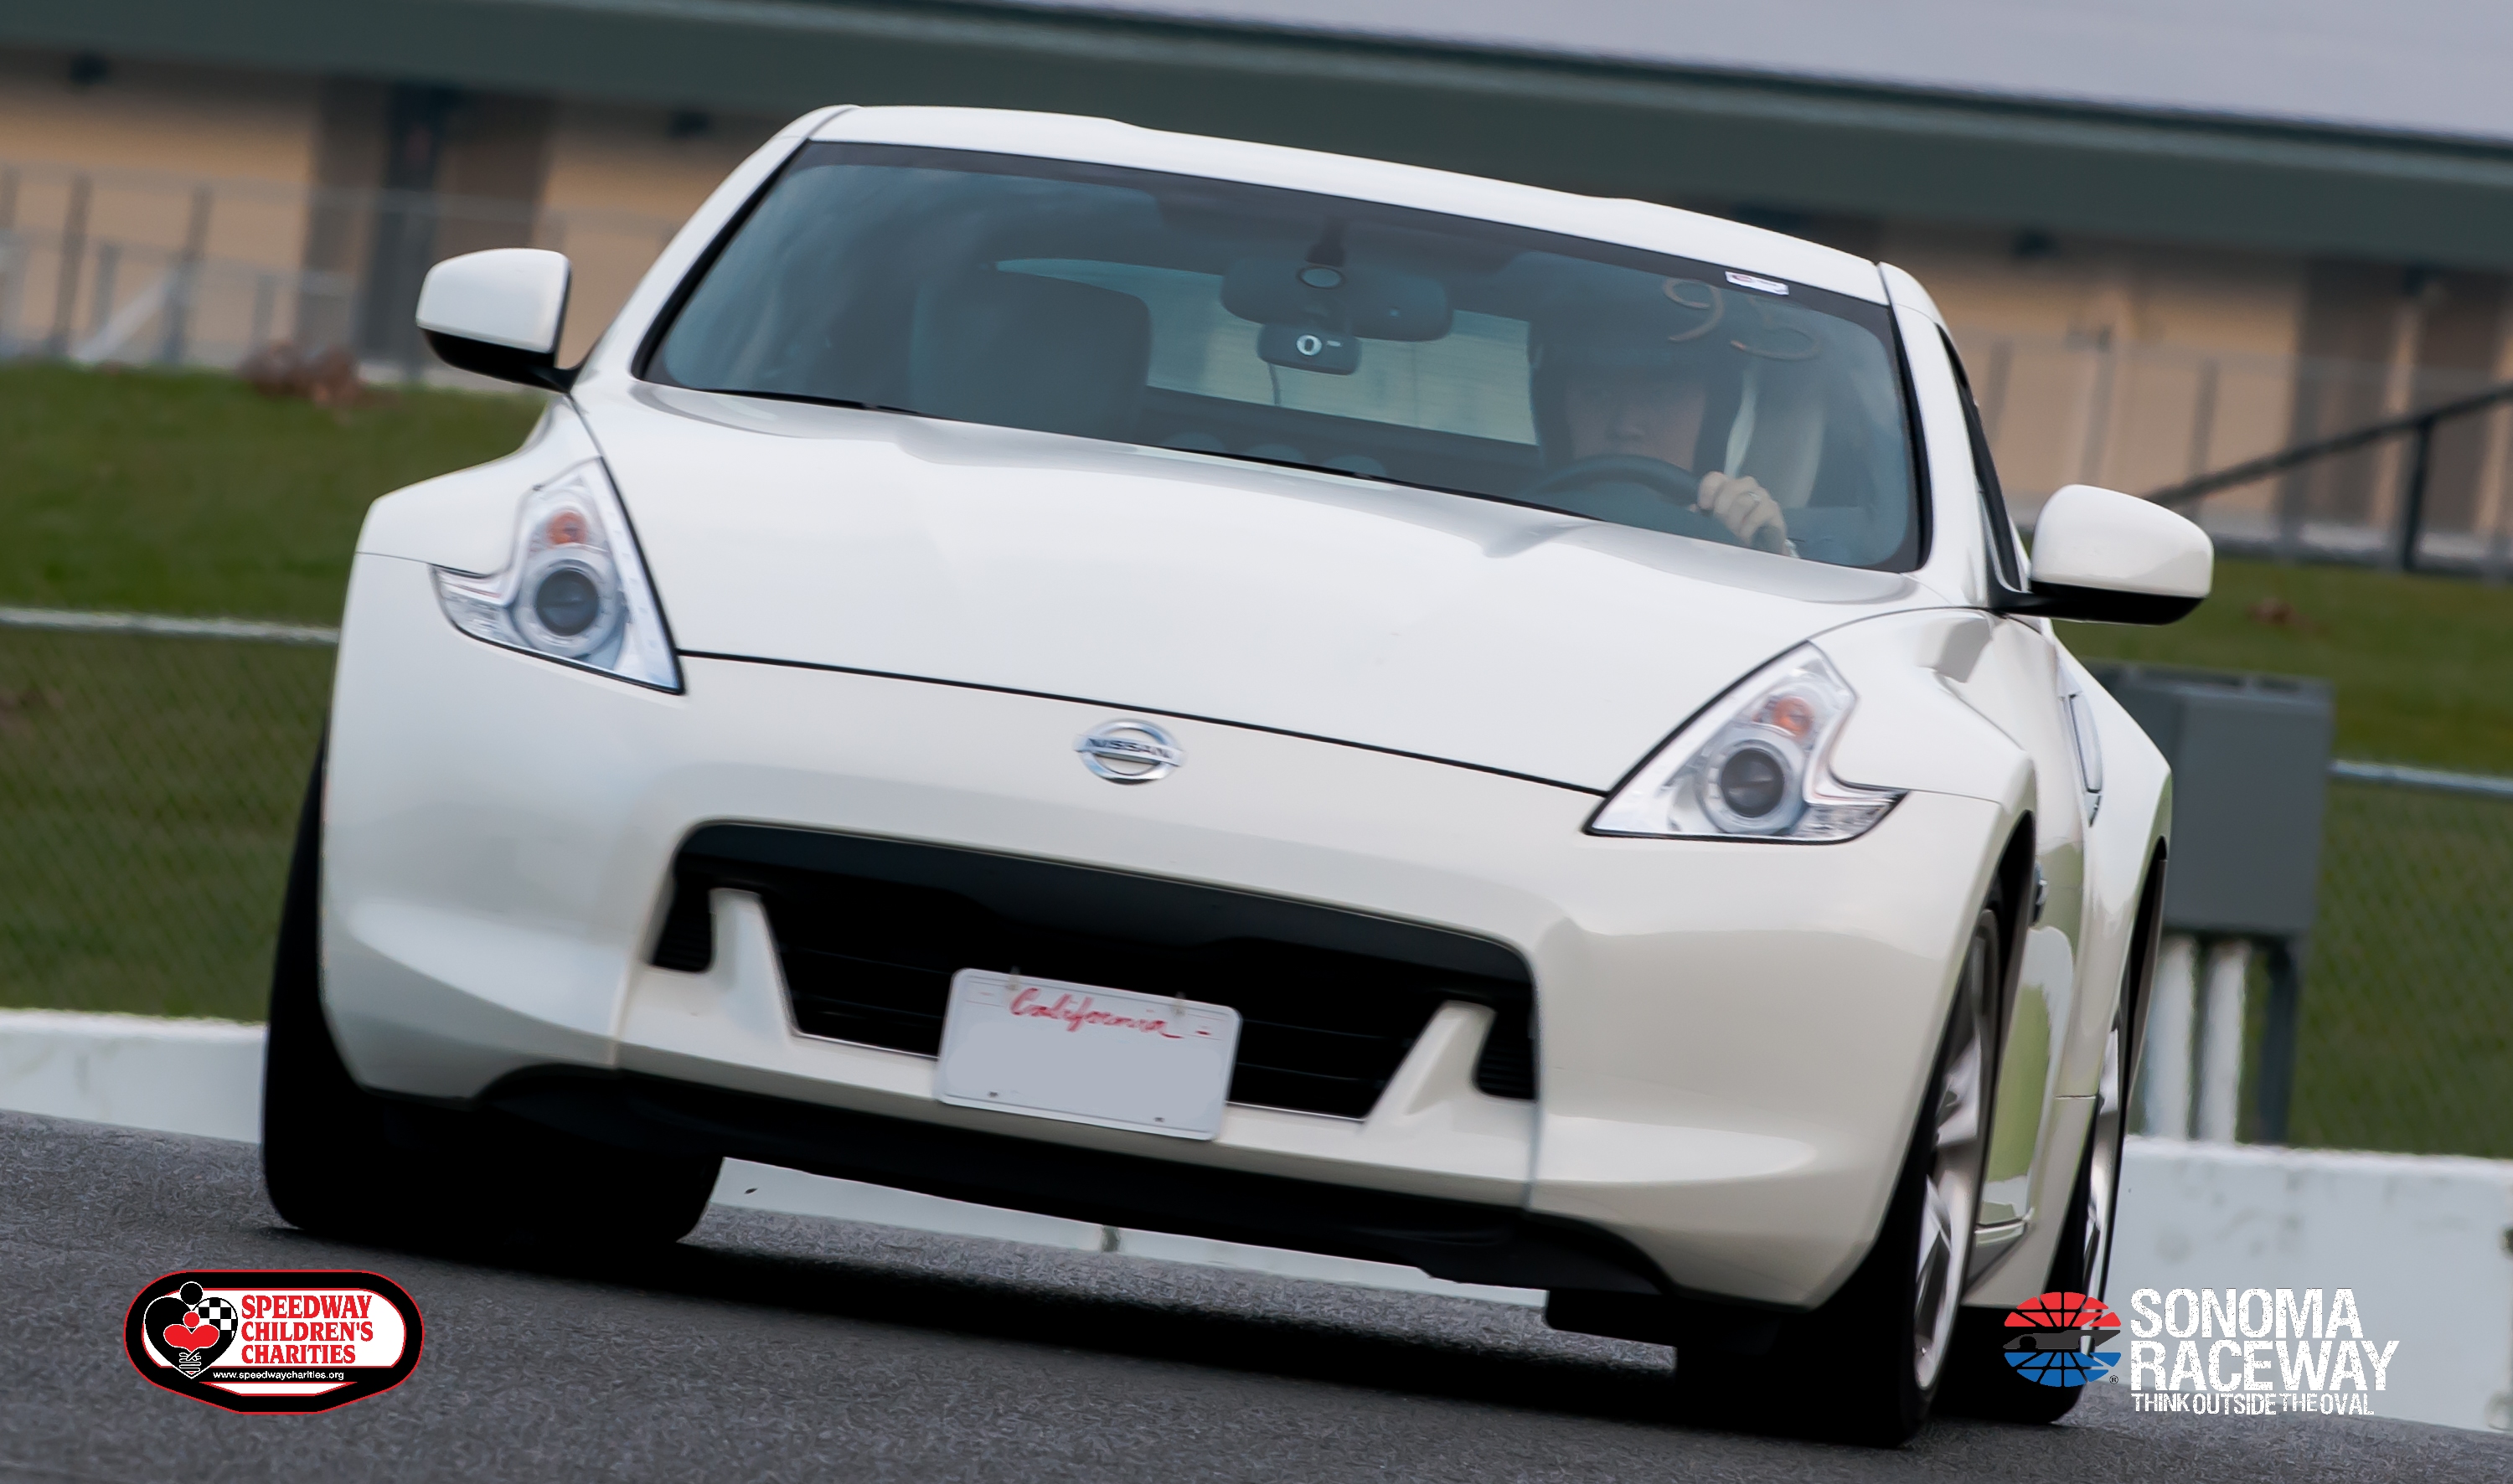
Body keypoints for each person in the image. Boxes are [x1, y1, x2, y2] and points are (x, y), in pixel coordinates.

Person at [1526, 275, 1792, 554]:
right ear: (1556, 413)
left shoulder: (1731, 542)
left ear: (1714, 418)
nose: (1625, 426)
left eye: (1660, 397)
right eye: (1598, 394)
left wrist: (1769, 550)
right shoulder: (1500, 520)